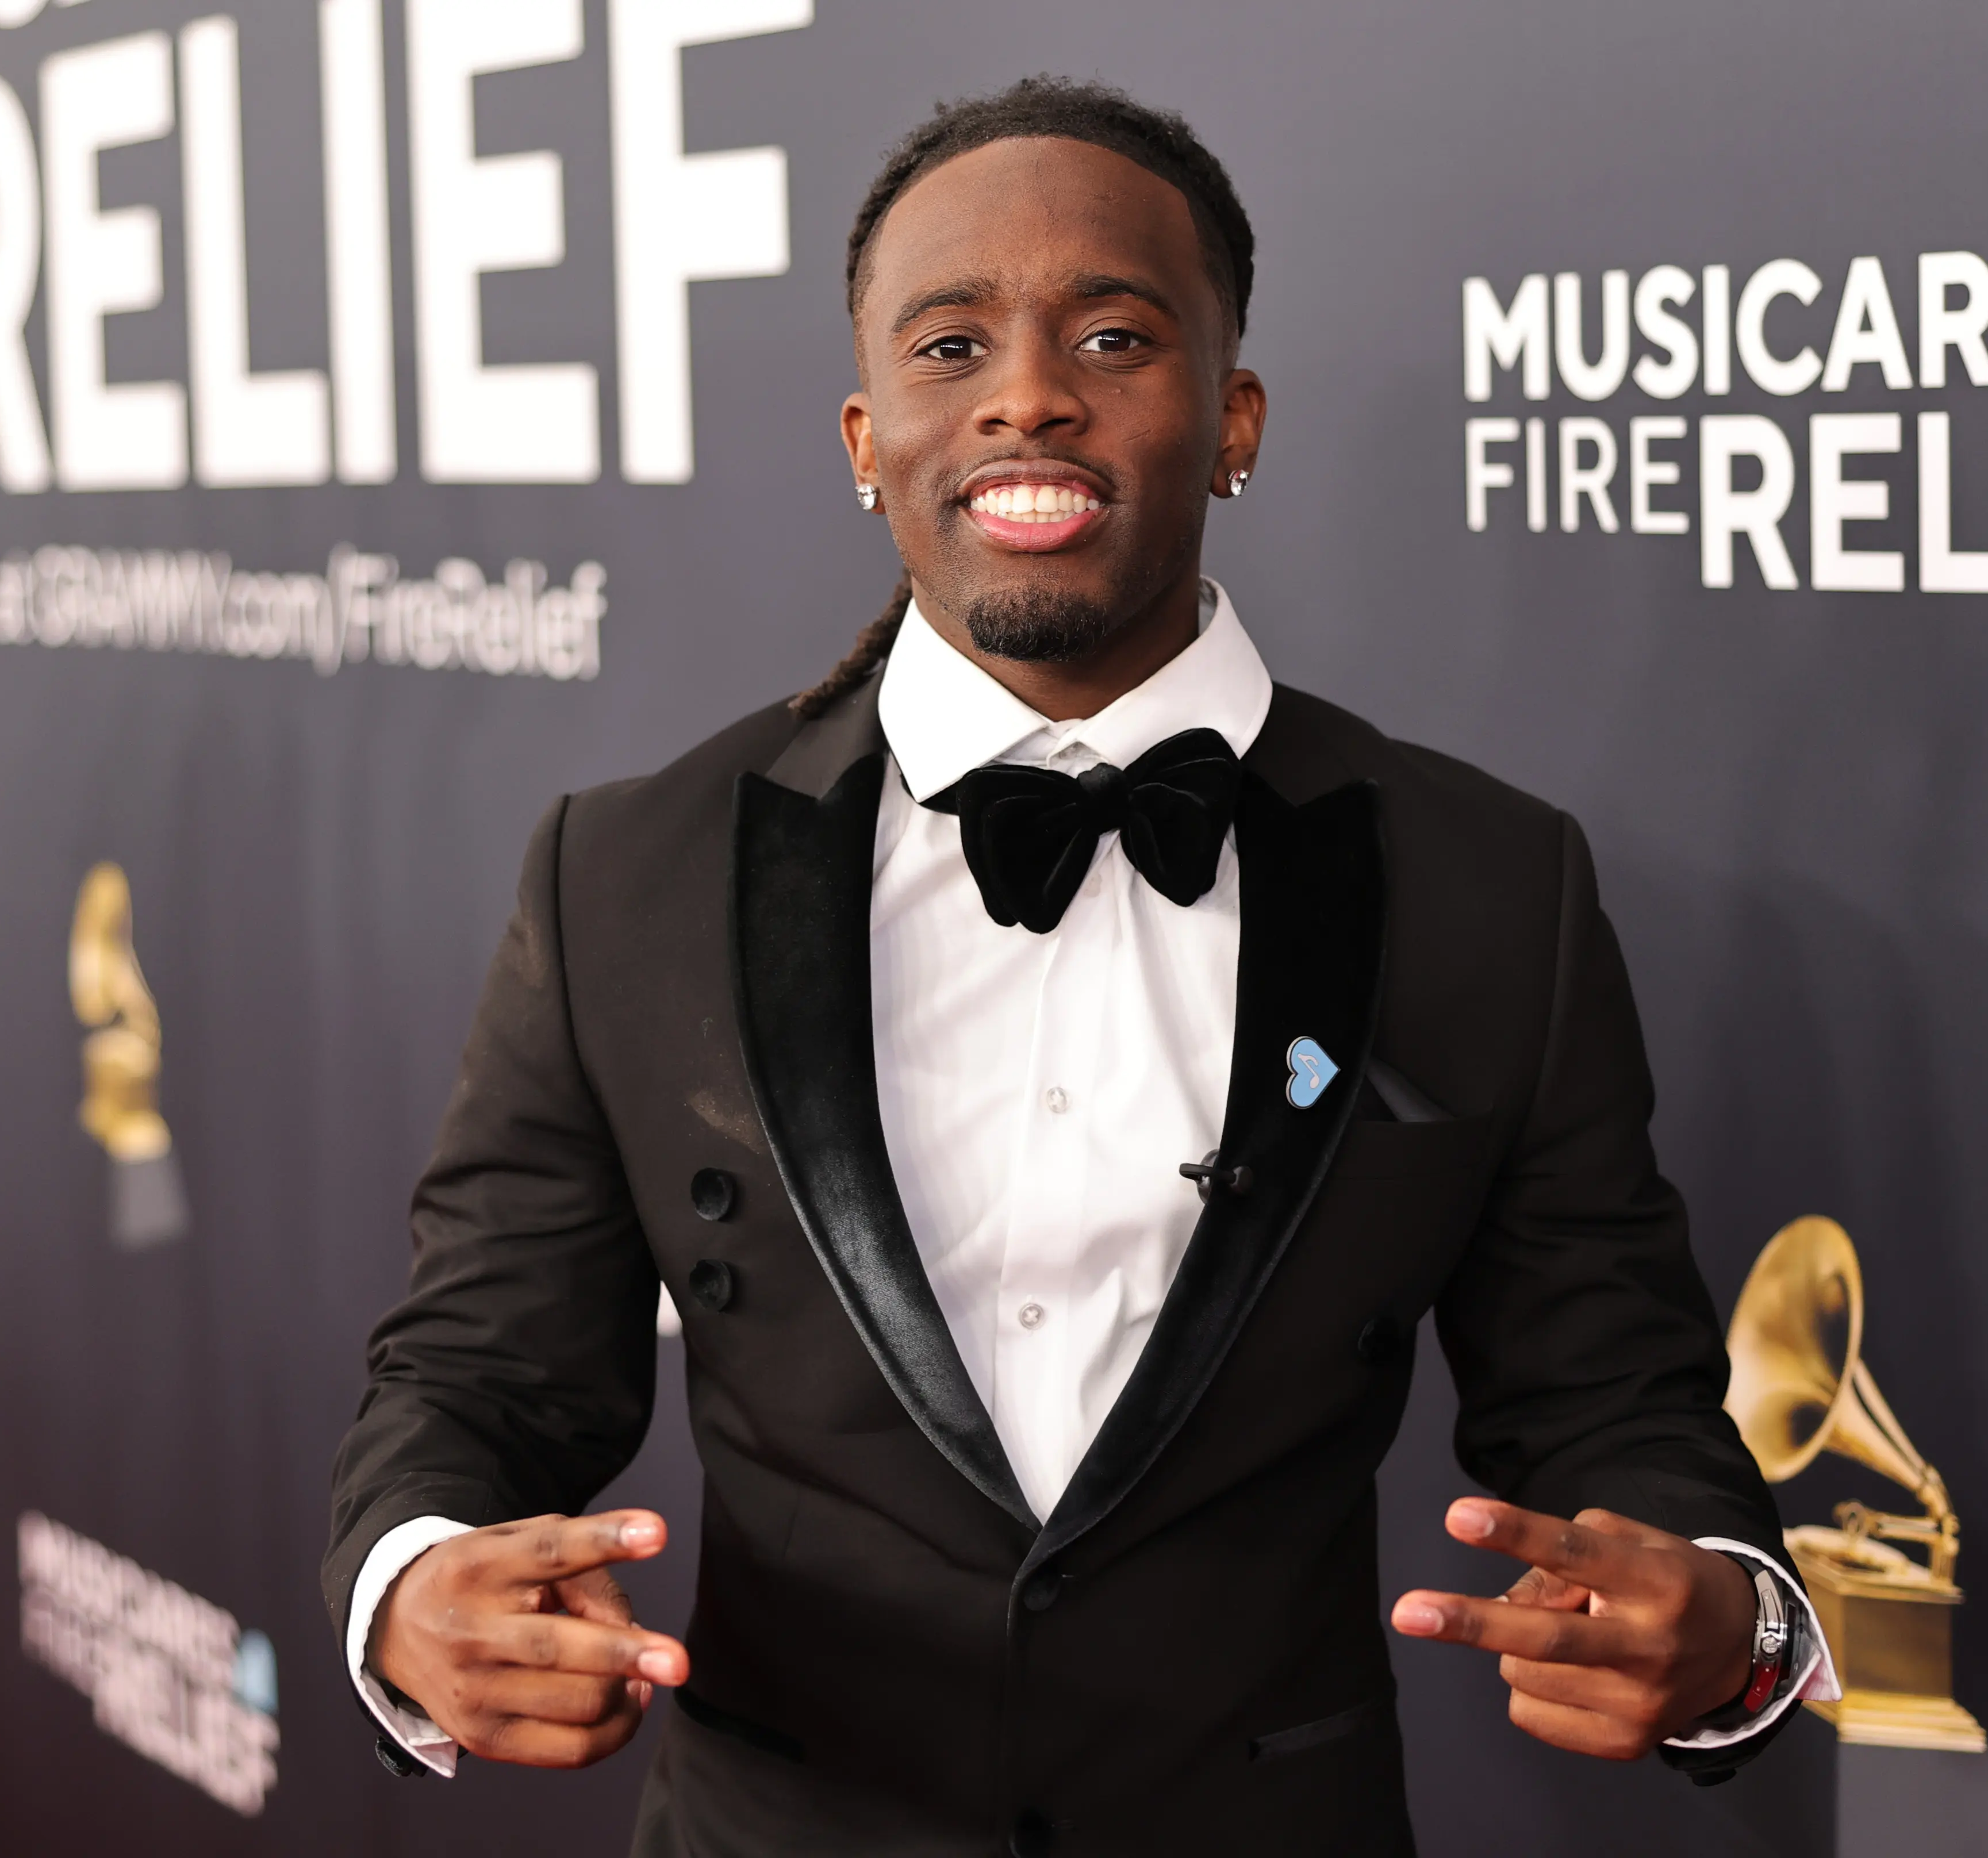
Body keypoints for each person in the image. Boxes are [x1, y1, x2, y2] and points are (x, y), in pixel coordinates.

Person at [327, 78, 1833, 1855]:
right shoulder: (627, 876)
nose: (1028, 393)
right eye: (949, 345)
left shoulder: (1491, 884)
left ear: (1233, 417)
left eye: (1114, 335)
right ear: (866, 434)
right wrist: (411, 1588)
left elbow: (1611, 1394)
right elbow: (481, 1375)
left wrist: (1734, 1622)